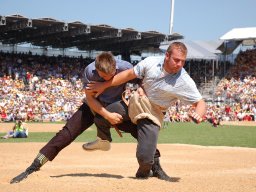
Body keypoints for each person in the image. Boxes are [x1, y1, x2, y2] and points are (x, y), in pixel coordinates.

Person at [10, 52, 170, 184]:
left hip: (116, 106)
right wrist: (107, 115)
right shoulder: (89, 71)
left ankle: (156, 167)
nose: (107, 79)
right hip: (93, 107)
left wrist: (141, 89)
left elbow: (142, 79)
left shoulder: (126, 67)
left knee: (140, 130)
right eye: (103, 77)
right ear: (97, 71)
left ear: (116, 67)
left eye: (111, 76)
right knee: (66, 134)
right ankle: (33, 166)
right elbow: (91, 98)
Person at [85, 42, 207, 179]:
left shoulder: (184, 80)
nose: (179, 64)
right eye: (176, 60)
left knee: (145, 158)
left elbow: (200, 102)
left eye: (182, 61)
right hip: (136, 102)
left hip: (153, 114)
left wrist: (198, 113)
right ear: (167, 56)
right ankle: (104, 139)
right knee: (103, 115)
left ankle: (143, 173)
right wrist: (104, 85)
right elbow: (128, 75)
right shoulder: (151, 62)